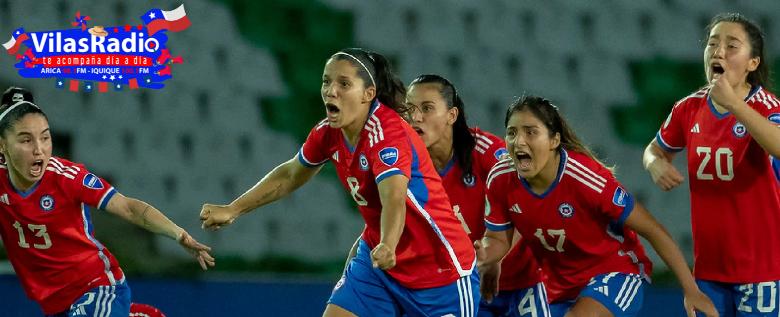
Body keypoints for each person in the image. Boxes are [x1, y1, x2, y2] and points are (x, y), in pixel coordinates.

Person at [200, 48, 480, 316]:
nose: (330, 90)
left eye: (344, 83)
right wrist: (233, 209)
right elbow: (290, 175)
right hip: (379, 265)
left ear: (368, 94)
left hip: (441, 271)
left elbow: (394, 197)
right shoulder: (328, 133)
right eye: (326, 81)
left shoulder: (387, 134)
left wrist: (389, 243)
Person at [480, 96, 717, 317]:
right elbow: (498, 239)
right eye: (511, 133)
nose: (519, 141)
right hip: (556, 284)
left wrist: (690, 289)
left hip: (614, 272)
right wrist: (482, 255)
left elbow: (653, 230)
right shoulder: (501, 177)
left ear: (554, 140)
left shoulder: (586, 179)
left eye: (531, 132)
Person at [0, 87, 215, 316]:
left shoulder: (67, 177)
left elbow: (128, 208)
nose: (39, 150)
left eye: (45, 137)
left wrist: (178, 234)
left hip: (95, 285)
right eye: (25, 140)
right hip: (56, 304)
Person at [643, 12, 780, 317]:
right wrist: (655, 164)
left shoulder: (766, 107)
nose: (718, 51)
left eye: (732, 45)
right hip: (710, 270)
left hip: (761, 270)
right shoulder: (689, 108)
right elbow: (653, 149)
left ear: (752, 63)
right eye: (713, 43)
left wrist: (734, 104)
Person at [405, 74, 547, 317]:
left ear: (452, 115)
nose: (416, 117)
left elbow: (531, 202)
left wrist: (496, 260)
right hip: (465, 286)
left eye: (427, 108)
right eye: (410, 109)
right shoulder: (405, 166)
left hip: (524, 281)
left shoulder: (487, 153)